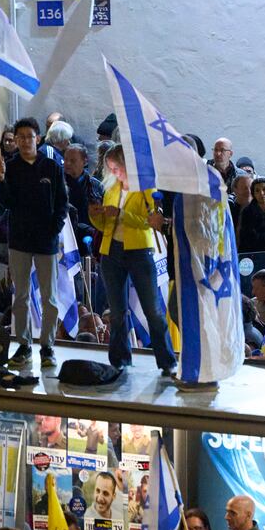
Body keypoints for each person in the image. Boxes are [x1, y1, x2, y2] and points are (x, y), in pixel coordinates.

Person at [92, 145, 179, 377]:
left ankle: (167, 361)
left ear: (127, 165)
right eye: (110, 168)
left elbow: (150, 222)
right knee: (117, 311)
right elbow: (106, 225)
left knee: (153, 310)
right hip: (111, 251)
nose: (114, 172)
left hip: (139, 250)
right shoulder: (110, 189)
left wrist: (120, 214)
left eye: (116, 167)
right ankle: (120, 359)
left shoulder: (146, 189)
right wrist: (97, 216)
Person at [0, 117, 70, 367]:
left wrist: (54, 230)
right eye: (21, 137)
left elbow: (62, 203)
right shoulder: (11, 167)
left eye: (30, 136)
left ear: (38, 138)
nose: (25, 141)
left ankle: (47, 346)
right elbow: (7, 203)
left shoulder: (52, 166)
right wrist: (1, 180)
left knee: (49, 297)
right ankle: (24, 344)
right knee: (21, 296)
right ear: (15, 140)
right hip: (19, 241)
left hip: (46, 241)